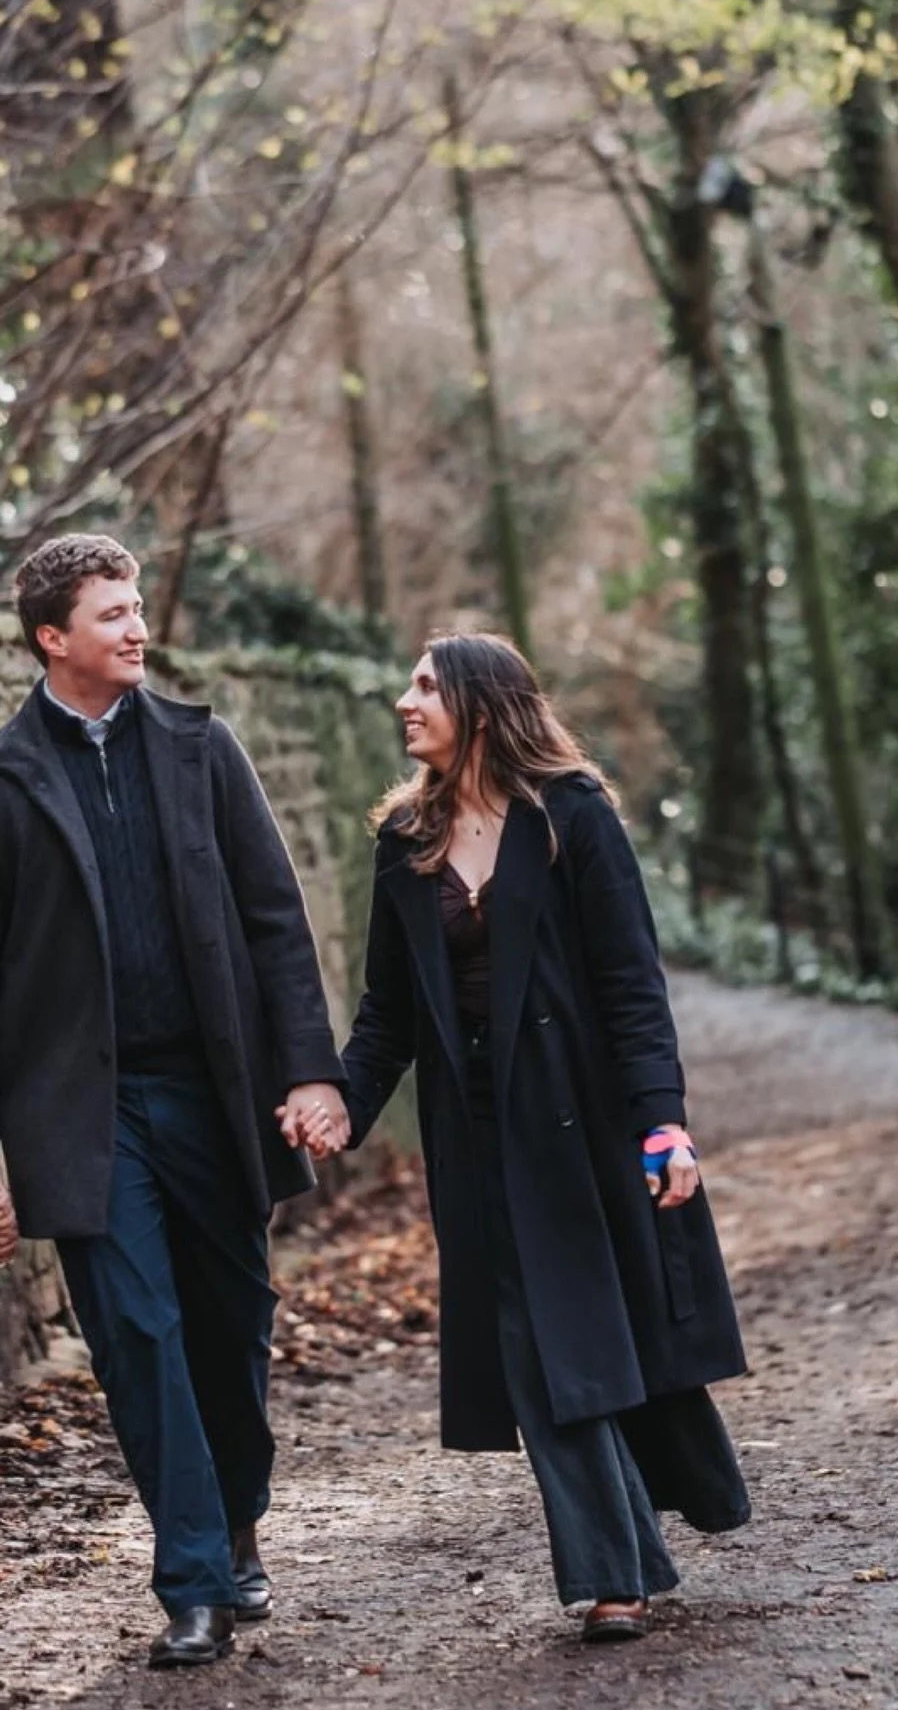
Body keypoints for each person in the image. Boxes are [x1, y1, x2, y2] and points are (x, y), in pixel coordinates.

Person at [0, 533, 349, 1669]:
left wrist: (309, 1068)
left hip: (213, 1094)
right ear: (51, 637)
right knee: (137, 1336)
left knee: (232, 1325)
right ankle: (195, 1581)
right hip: (85, 1113)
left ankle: (238, 1520)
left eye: (136, 609)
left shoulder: (203, 750)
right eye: (111, 614)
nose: (136, 629)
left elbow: (275, 920)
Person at [286, 632, 750, 1643]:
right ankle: (616, 1572)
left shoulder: (570, 816)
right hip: (474, 1133)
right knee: (539, 1342)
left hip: (583, 1122)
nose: (405, 701)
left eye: (426, 686)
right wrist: (342, 1104)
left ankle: (669, 1508)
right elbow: (388, 1012)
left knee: (598, 1325)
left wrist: (664, 1123)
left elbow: (631, 983)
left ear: (483, 708)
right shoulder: (405, 839)